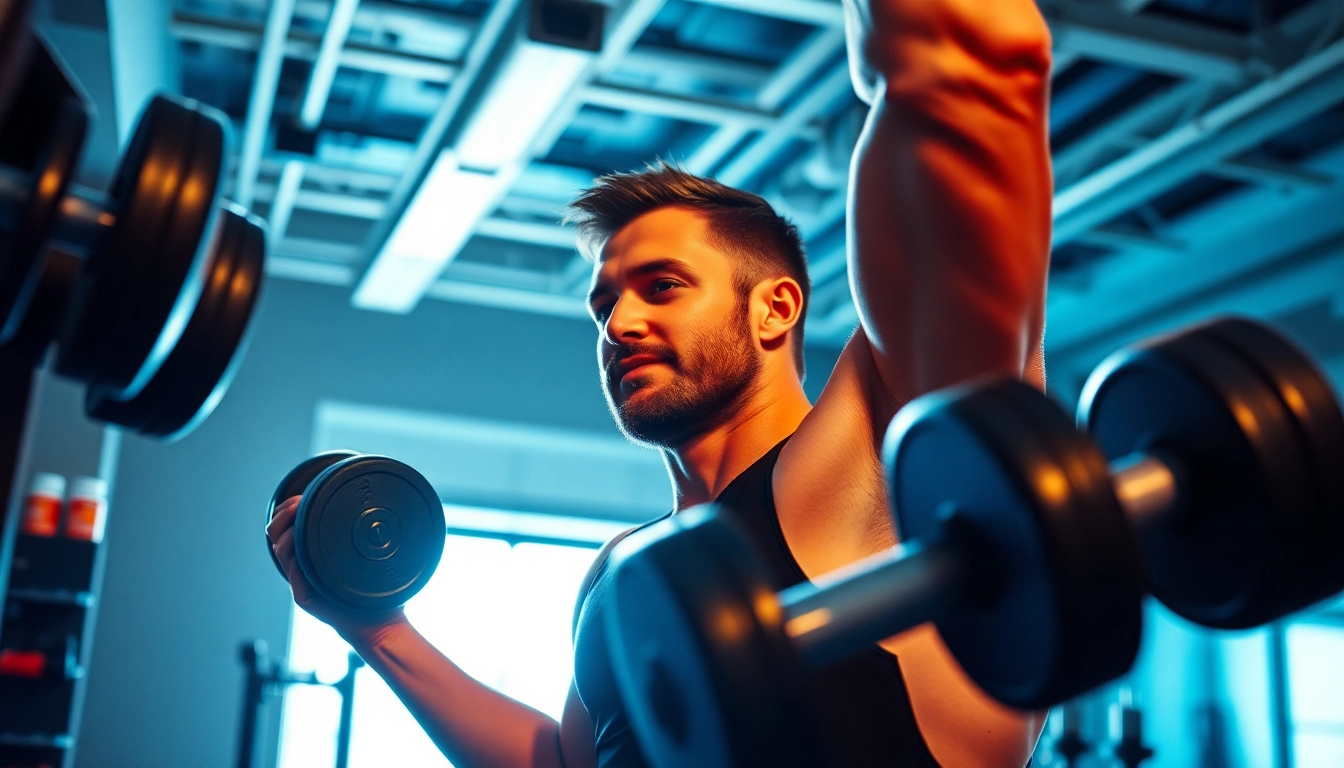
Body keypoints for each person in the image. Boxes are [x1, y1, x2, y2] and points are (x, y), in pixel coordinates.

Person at [267, 0, 1053, 765]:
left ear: (776, 309)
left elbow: (972, 66)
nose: (619, 323)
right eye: (604, 304)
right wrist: (375, 630)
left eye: (663, 286)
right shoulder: (621, 568)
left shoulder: (873, 459)